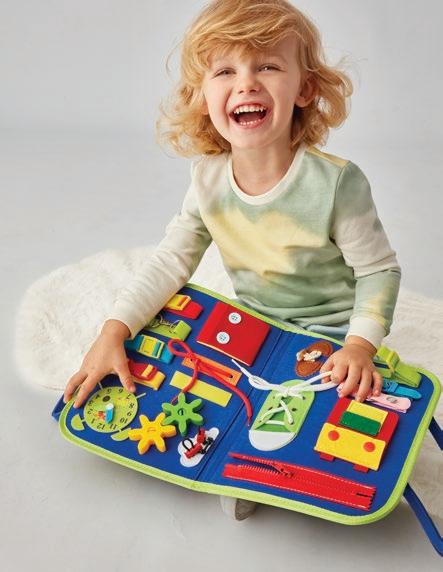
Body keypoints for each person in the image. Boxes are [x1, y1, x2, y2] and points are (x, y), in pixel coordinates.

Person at [63, 0, 401, 518]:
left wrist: (360, 345)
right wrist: (114, 329)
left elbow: (378, 270)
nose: (246, 84)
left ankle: (263, 471)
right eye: (225, 71)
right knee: (198, 387)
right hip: (255, 328)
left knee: (323, 435)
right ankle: (232, 459)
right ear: (202, 97)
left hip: (333, 337)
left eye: (267, 66)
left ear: (305, 88)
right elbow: (170, 261)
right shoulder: (207, 179)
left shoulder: (336, 182)